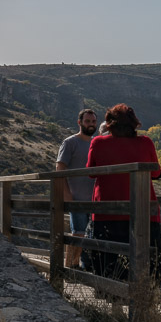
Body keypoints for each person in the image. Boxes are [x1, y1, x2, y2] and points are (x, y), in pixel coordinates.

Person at [86, 104, 161, 290]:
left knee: (108, 259)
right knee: (151, 256)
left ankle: (111, 297)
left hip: (107, 210)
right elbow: (155, 173)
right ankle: (155, 297)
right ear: (134, 123)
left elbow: (91, 172)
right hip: (143, 210)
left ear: (109, 124)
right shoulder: (146, 142)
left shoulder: (98, 143)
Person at [56, 109, 97, 269]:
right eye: (87, 121)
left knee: (91, 235)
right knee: (78, 232)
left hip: (95, 199)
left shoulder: (96, 143)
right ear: (79, 122)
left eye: (93, 121)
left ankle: (85, 267)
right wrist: (67, 195)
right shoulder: (70, 142)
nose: (91, 124)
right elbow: (60, 168)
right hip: (77, 198)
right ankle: (70, 269)